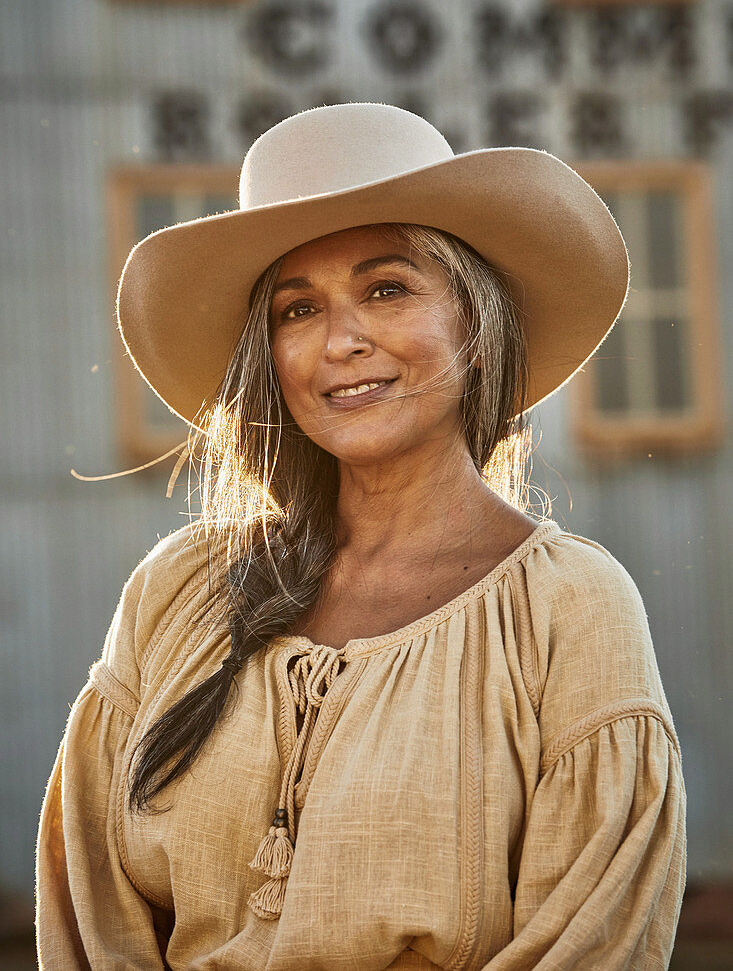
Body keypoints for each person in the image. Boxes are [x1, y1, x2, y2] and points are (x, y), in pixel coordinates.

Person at [35, 103, 686, 969]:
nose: (340, 341)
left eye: (387, 289)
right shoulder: (178, 591)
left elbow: (591, 941)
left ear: (478, 331)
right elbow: (89, 914)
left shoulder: (567, 608)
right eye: (296, 311)